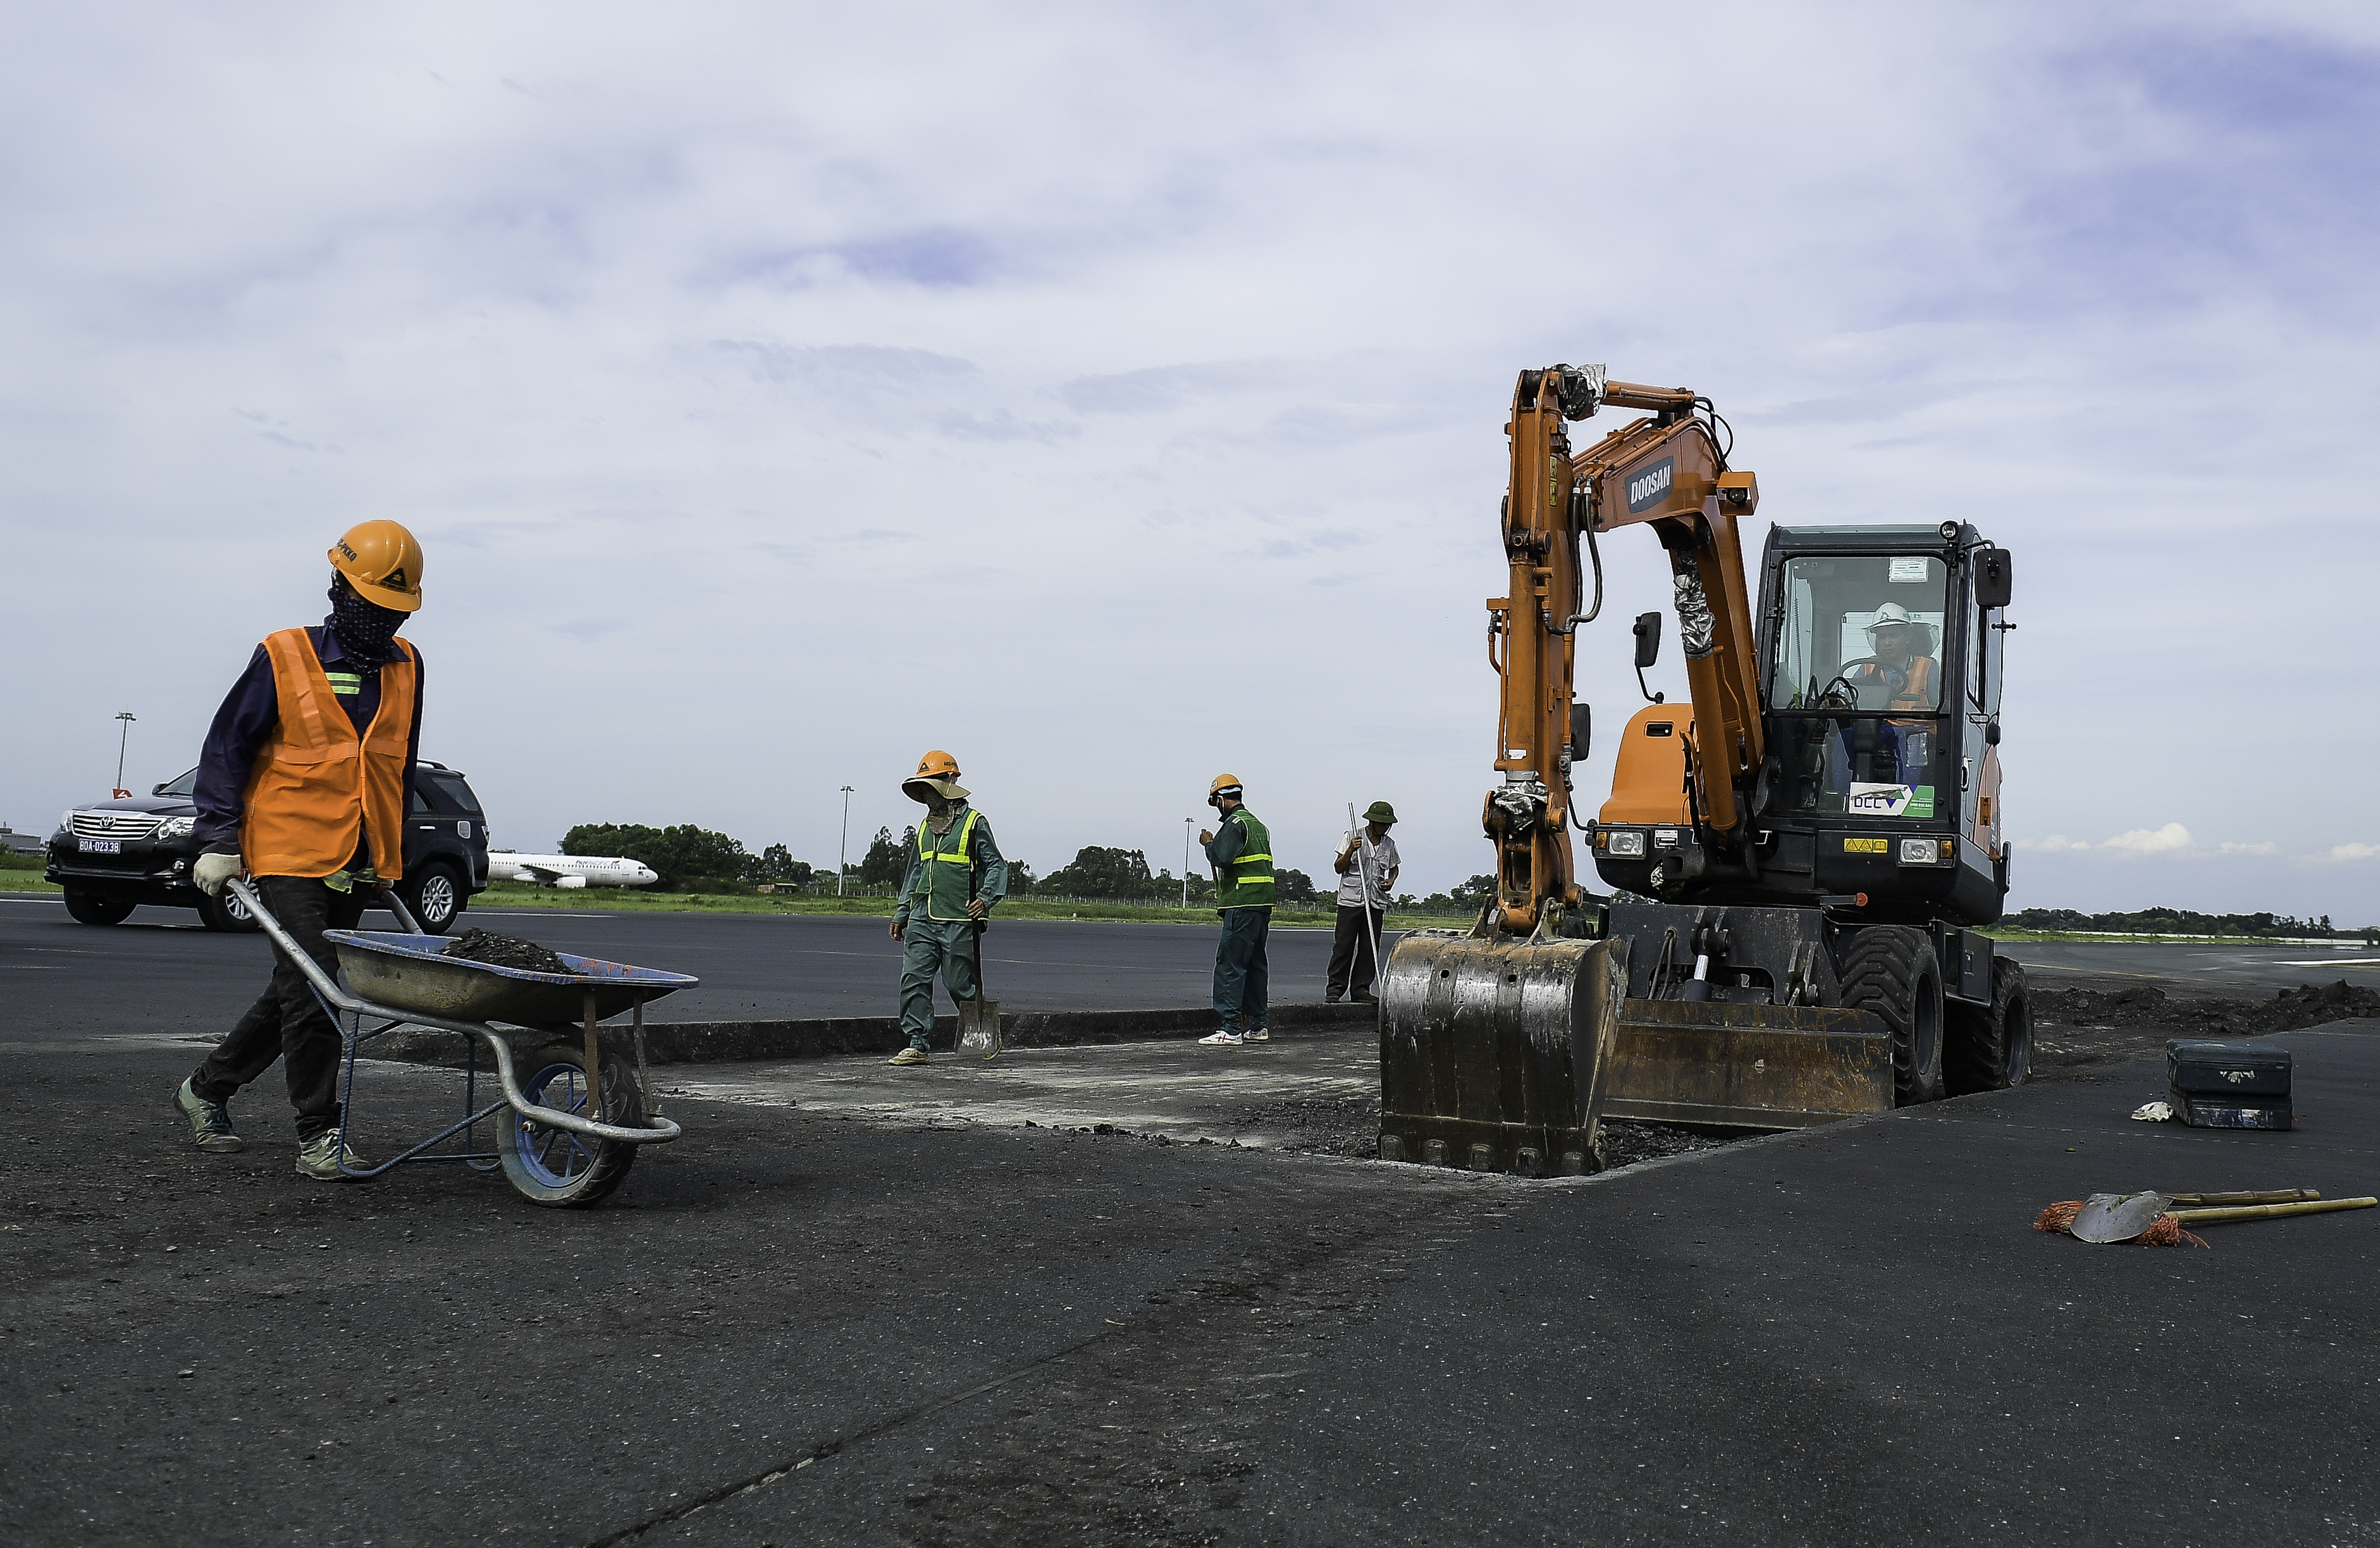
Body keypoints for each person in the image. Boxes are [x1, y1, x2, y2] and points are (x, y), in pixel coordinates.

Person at [173, 521, 427, 1179]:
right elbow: (227, 746)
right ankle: (320, 1134)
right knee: (315, 984)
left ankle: (206, 1087)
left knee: (299, 982)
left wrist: (386, 857)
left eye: (396, 610)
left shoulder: (408, 666)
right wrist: (217, 838)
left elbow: (395, 768)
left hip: (358, 855)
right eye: (373, 604)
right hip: (286, 847)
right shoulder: (285, 653)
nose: (383, 620)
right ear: (340, 587)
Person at [886, 750, 1008, 1066]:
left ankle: (982, 1033)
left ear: (949, 781)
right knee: (913, 978)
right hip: (922, 917)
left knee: (957, 983)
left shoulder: (973, 823)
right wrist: (902, 913)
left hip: (958, 919)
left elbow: (995, 865)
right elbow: (915, 870)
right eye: (923, 787)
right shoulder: (926, 828)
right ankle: (917, 1043)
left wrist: (986, 897)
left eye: (930, 785)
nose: (926, 793)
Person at [1197, 774, 1274, 1047]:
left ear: (1220, 799)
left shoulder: (1234, 824)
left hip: (1241, 904)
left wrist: (1208, 843)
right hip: (1262, 905)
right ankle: (1258, 1025)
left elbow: (1221, 857)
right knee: (1255, 964)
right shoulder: (1258, 825)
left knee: (1230, 964)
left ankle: (1231, 1029)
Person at [1326, 801, 1400, 1004]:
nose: (1385, 828)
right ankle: (1335, 989)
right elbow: (1338, 867)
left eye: (1388, 825)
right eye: (1382, 824)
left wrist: (1391, 880)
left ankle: (1361, 989)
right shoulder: (1352, 836)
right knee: (1343, 947)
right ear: (1372, 822)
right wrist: (1351, 850)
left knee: (1369, 948)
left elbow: (1394, 868)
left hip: (1375, 902)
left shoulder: (1389, 844)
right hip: (1351, 902)